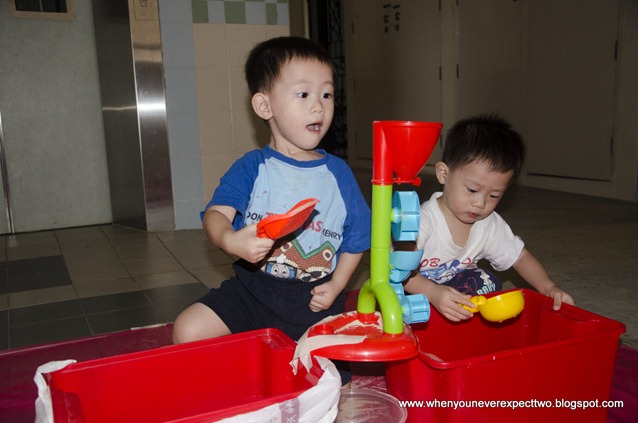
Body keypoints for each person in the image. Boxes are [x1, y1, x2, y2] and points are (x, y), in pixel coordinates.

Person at [172, 36, 371, 383]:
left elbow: (358, 238)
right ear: (265, 107)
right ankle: (235, 380)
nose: (319, 107)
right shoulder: (252, 167)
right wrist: (231, 241)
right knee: (187, 329)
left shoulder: (337, 174)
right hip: (252, 293)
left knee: (328, 378)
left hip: (312, 302)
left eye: (327, 94)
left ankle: (278, 367)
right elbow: (216, 215)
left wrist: (338, 285)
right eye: (304, 94)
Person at [402, 114, 574, 322]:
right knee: (392, 294)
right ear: (443, 174)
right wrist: (432, 293)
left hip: (453, 289)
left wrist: (549, 287)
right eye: (472, 190)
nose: (480, 203)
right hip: (414, 289)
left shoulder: (489, 224)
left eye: (494, 196)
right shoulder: (423, 221)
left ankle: (457, 321)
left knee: (487, 281)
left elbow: (519, 257)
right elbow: (396, 270)